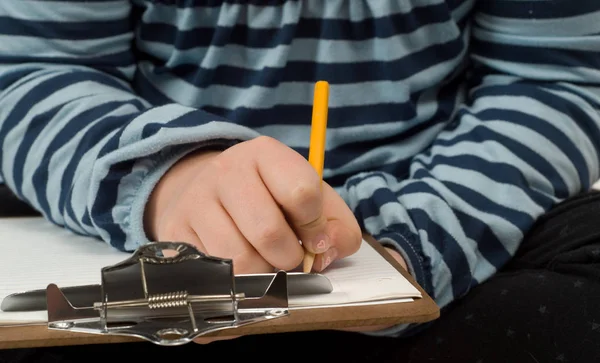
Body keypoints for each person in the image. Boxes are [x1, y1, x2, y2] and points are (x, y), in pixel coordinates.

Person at [0, 1, 599, 361]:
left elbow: (551, 80)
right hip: (140, 233)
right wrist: (168, 179)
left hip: (425, 213)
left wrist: (402, 248)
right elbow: (35, 72)